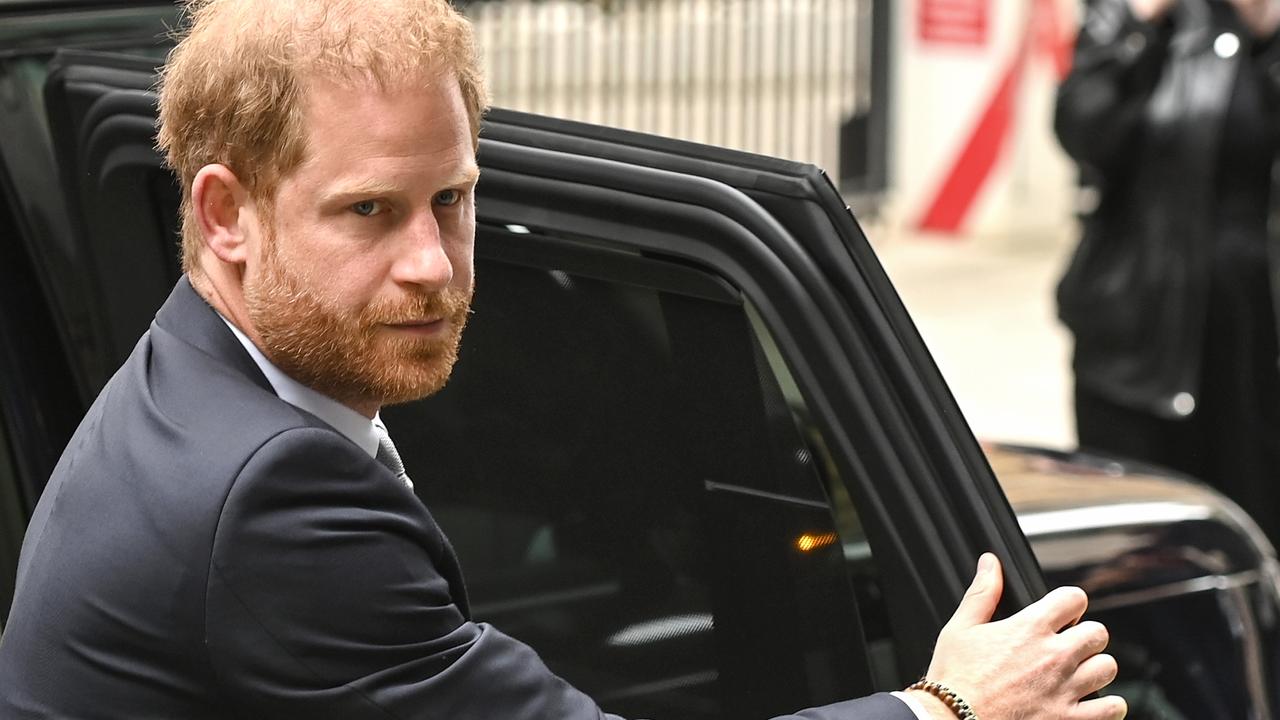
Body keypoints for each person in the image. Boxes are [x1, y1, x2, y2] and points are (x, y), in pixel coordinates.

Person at [0, 1, 1126, 718]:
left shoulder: (193, 375)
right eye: (368, 211)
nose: (431, 265)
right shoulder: (268, 499)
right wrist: (944, 707)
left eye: (452, 199)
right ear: (226, 213)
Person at [1055, 0, 1280, 542]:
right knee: (1137, 538)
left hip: (1255, 342)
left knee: (1255, 533)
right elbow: (1082, 131)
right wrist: (1137, 28)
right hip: (1142, 330)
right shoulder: (1144, 18)